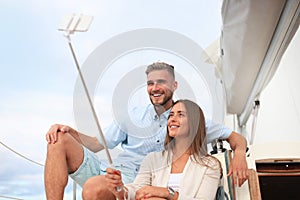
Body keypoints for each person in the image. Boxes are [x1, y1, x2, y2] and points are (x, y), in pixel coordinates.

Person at [44, 62, 248, 200]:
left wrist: (240, 154)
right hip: (113, 172)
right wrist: (71, 132)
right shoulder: (131, 115)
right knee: (58, 139)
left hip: (138, 181)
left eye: (161, 82)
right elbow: (97, 144)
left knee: (95, 188)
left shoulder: (190, 119)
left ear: (174, 85)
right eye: (150, 83)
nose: (155, 87)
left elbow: (235, 137)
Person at [106, 99, 222, 200]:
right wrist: (120, 188)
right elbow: (137, 190)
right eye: (171, 115)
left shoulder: (210, 165)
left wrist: (167, 193)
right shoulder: (153, 159)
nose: (172, 119)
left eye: (180, 115)